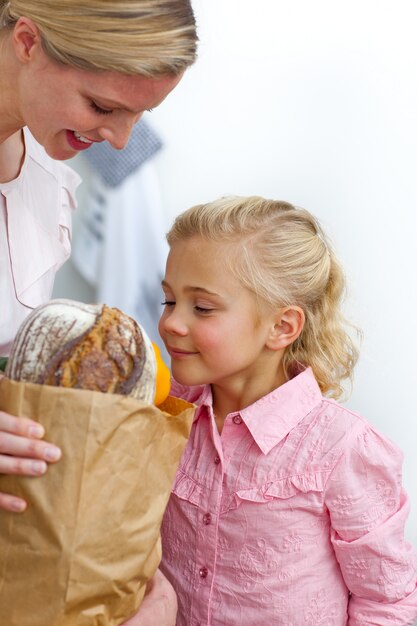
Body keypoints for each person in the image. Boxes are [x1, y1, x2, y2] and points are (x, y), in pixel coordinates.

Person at [153, 195, 417, 624]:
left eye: (201, 307)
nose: (171, 323)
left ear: (281, 327)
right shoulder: (164, 411)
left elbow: (388, 601)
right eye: (169, 301)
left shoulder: (341, 448)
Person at [0, 0, 197, 513]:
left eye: (140, 114)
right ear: (27, 41)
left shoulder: (46, 155)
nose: (120, 140)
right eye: (102, 107)